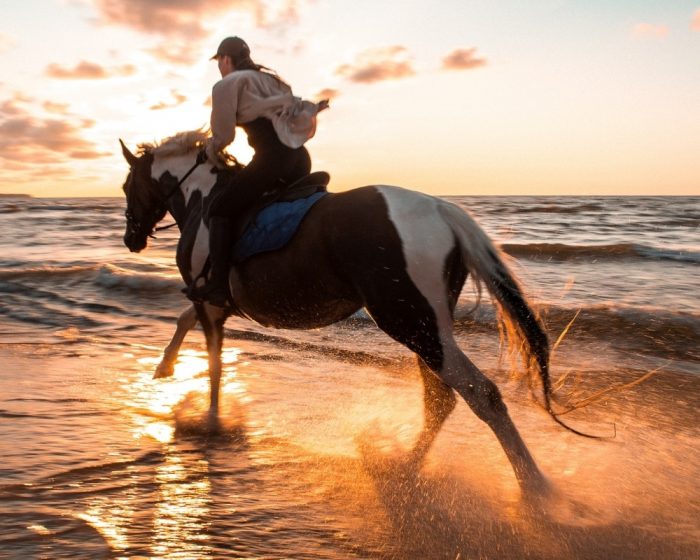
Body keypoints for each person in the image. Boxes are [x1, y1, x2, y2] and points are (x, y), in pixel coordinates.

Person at [188, 36, 329, 306]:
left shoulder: (227, 85)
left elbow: (223, 136)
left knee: (220, 209)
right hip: (300, 159)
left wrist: (208, 150)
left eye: (219, 62)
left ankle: (218, 286)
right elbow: (298, 110)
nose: (219, 67)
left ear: (225, 59)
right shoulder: (272, 82)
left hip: (272, 160)